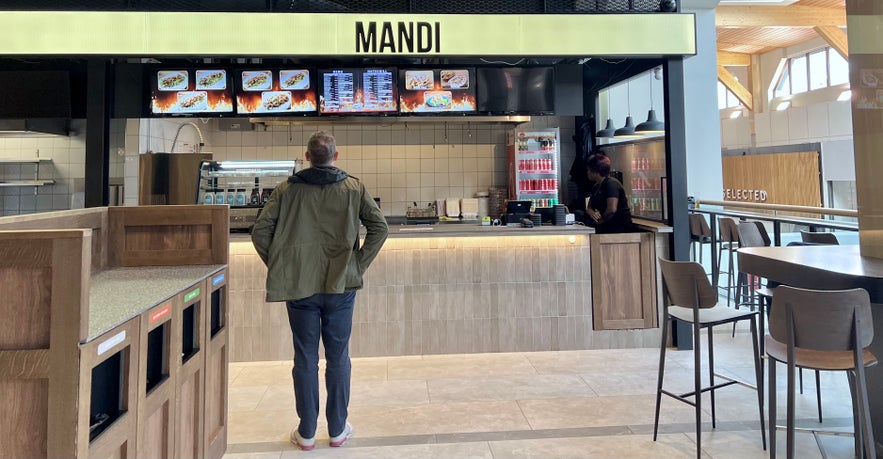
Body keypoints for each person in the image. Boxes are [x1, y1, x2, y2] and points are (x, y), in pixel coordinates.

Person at [251, 131, 388, 451]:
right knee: (339, 356)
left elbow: (260, 232)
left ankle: (307, 431)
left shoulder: (286, 190)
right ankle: (338, 429)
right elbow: (380, 228)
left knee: (305, 357)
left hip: (300, 288)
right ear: (335, 157)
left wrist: (282, 265)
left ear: (307, 156)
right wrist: (357, 264)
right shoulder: (354, 187)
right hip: (340, 286)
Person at [574, 151, 634, 233]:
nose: (587, 172)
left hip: (617, 226)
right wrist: (592, 213)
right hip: (606, 224)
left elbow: (612, 210)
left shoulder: (611, 184)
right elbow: (589, 206)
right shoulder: (596, 186)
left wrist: (600, 220)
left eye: (589, 170)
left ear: (595, 171)